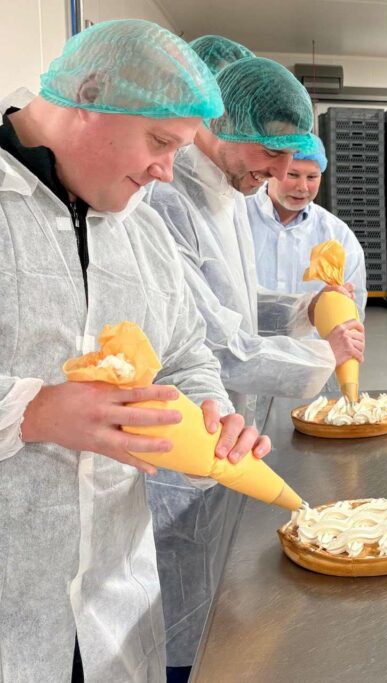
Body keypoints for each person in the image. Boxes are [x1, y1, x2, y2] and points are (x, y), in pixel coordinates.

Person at [0, 19, 271, 681]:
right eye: (159, 140)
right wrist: (30, 411)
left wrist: (211, 411)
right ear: (90, 96)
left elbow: (185, 354)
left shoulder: (141, 230)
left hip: (113, 605)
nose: (165, 170)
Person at [144, 55, 365, 679]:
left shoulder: (226, 192)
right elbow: (211, 343)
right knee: (176, 591)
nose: (279, 172)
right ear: (219, 120)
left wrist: (303, 307)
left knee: (210, 581)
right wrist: (322, 358)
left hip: (230, 421)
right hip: (187, 431)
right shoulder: (170, 199)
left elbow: (234, 302)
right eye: (270, 154)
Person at [246, 136, 367, 316]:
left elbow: (351, 308)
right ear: (271, 171)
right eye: (292, 174)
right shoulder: (237, 217)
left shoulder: (337, 234)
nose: (302, 187)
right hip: (242, 335)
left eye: (312, 177)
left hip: (312, 336)